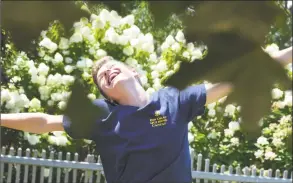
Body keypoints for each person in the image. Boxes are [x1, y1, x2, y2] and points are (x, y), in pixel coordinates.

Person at [1, 46, 292, 183]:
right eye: (101, 77)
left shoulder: (176, 99)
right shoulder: (101, 115)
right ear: (107, 95)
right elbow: (44, 122)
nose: (106, 72)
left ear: (134, 72)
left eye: (111, 66)